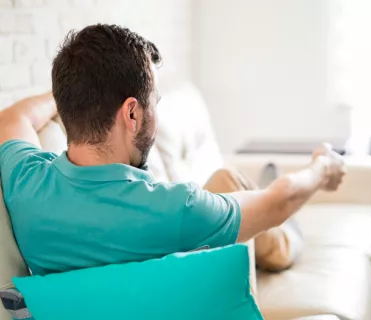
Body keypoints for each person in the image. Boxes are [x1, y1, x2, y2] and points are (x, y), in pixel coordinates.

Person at [0, 24, 345, 278]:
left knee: (225, 179)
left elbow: (13, 117)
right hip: (192, 272)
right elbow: (279, 202)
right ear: (132, 114)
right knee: (246, 200)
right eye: (155, 104)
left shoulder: (26, 180)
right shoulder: (174, 210)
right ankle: (287, 240)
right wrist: (322, 168)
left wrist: (76, 92)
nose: (157, 114)